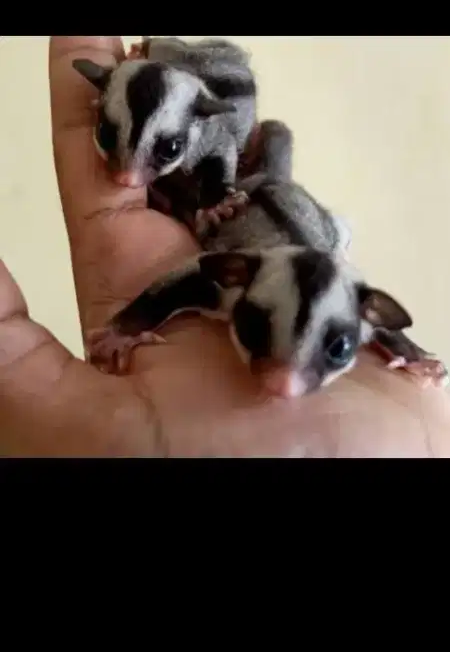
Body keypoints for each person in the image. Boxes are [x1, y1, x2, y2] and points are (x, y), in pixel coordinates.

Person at [0, 35, 449, 457]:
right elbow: (183, 281)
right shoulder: (271, 283)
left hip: (279, 211)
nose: (285, 387)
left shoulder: (250, 279)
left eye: (336, 350)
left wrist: (127, 324)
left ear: (237, 278)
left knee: (266, 162)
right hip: (278, 210)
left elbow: (186, 280)